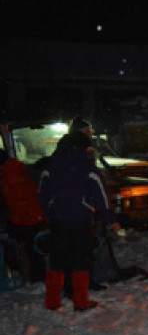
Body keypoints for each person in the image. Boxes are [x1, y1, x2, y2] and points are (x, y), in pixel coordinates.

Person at [37, 129, 120, 311]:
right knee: (81, 260)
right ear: (82, 148)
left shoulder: (50, 168)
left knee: (57, 261)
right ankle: (81, 301)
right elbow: (102, 198)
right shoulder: (88, 169)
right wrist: (110, 221)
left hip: (58, 221)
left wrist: (50, 214)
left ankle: (52, 301)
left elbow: (42, 195)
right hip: (81, 221)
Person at [0, 150, 48, 284]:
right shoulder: (22, 168)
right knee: (35, 250)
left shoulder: (6, 176)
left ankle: (27, 277)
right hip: (37, 215)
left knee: (22, 249)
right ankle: (38, 278)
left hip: (21, 219)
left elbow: (8, 202)